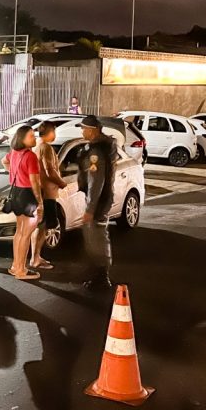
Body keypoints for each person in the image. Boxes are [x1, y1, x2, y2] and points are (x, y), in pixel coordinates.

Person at [77, 115, 117, 291]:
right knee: (95, 238)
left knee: (97, 238)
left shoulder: (96, 153)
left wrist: (90, 208)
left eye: (84, 128)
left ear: (93, 131)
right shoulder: (103, 147)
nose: (82, 131)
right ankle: (97, 274)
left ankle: (102, 277)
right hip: (102, 200)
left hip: (99, 202)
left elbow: (96, 182)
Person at [2, 125, 44, 281]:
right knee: (26, 234)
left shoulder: (14, 153)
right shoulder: (31, 156)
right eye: (31, 136)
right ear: (22, 139)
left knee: (19, 232)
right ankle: (21, 270)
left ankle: (15, 266)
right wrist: (40, 202)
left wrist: (14, 174)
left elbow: (3, 161)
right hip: (28, 195)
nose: (34, 138)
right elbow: (35, 181)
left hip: (16, 193)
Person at [30, 121, 67, 271]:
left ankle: (35, 257)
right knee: (44, 225)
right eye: (54, 132)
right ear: (50, 132)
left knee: (40, 225)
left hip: (39, 190)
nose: (55, 135)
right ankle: (35, 258)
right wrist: (62, 183)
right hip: (47, 192)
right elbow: (49, 170)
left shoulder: (36, 147)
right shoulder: (46, 147)